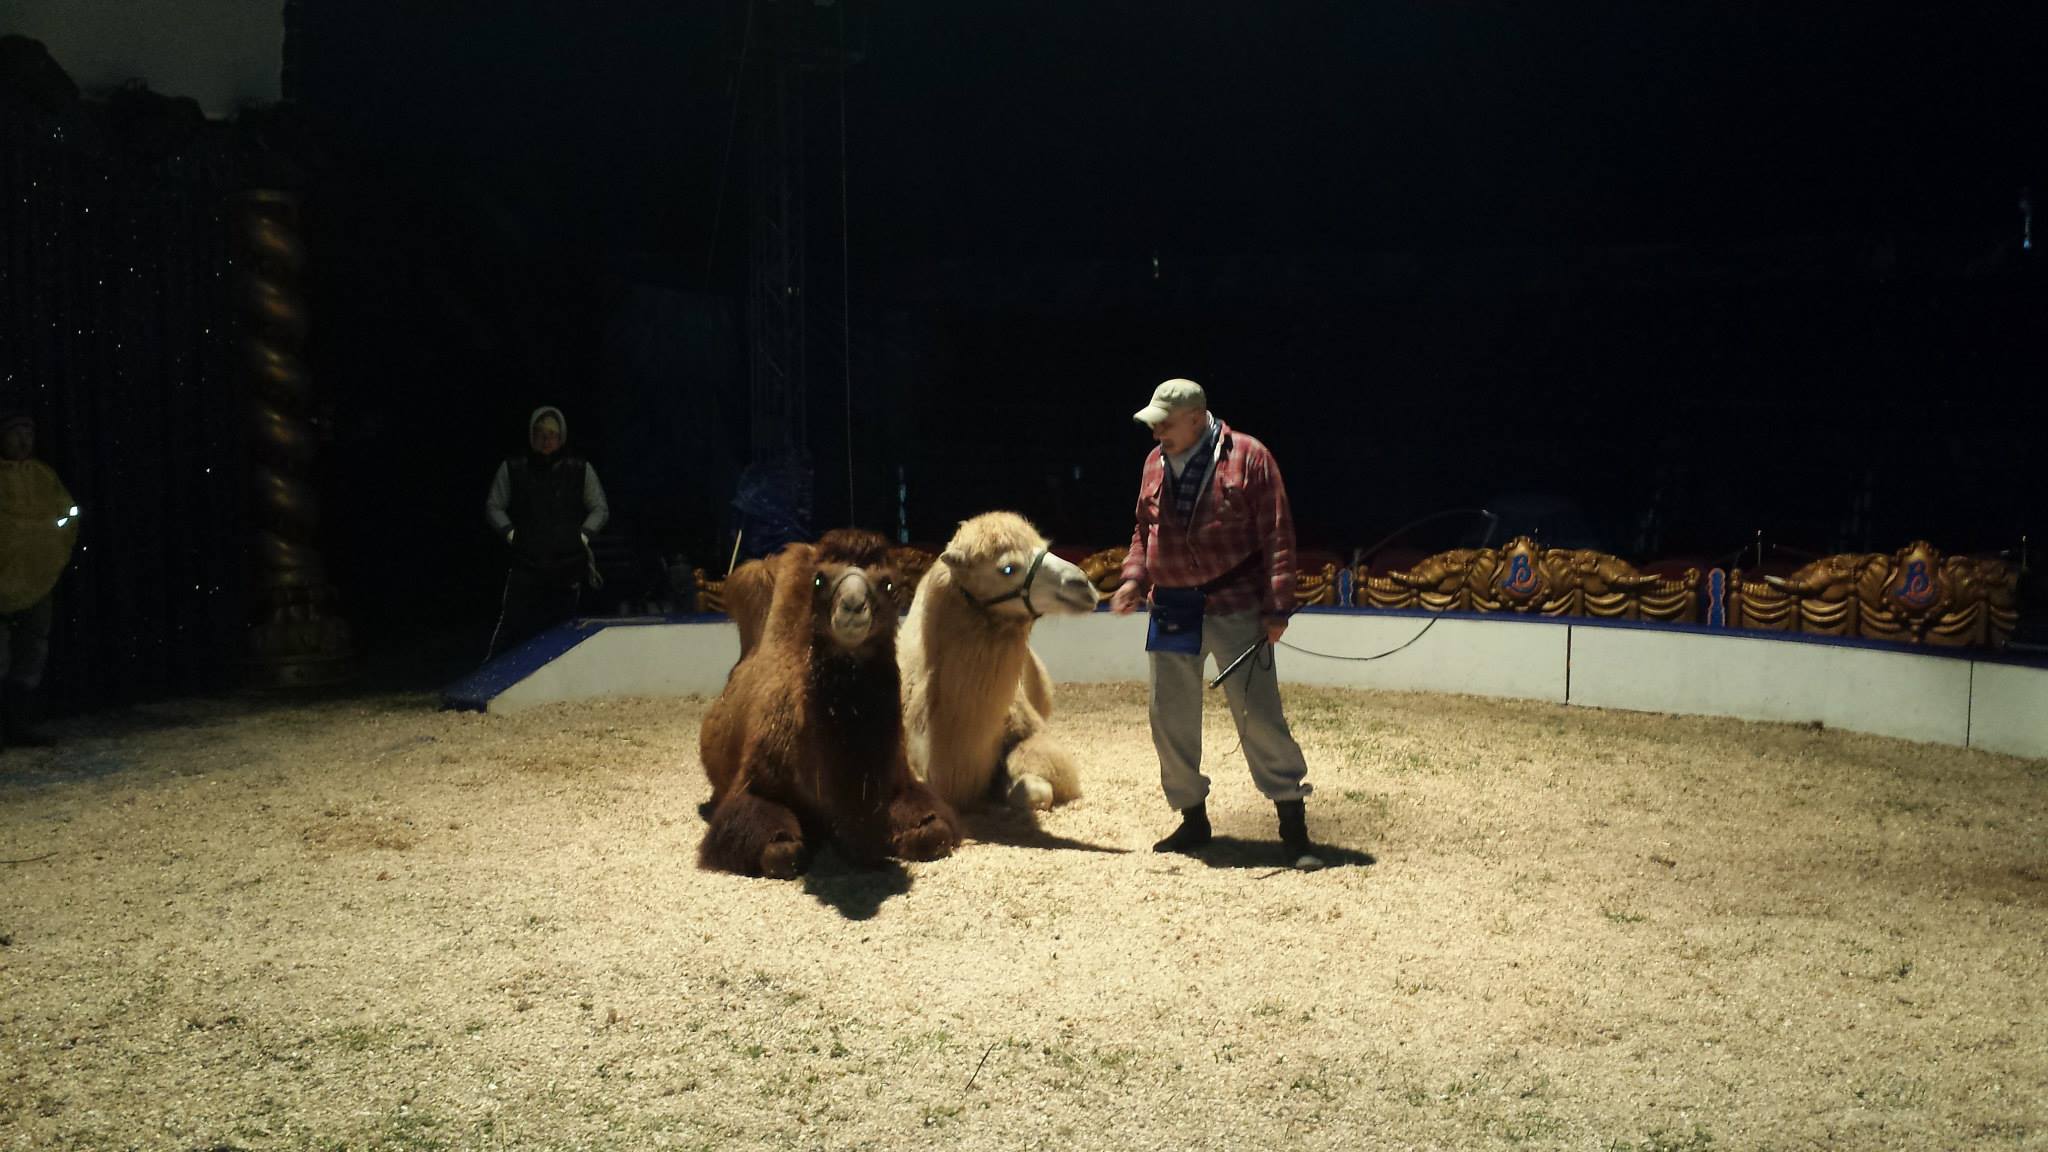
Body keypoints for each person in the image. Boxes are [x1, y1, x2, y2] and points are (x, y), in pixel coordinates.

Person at [1109, 379, 1322, 870]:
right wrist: (1133, 579)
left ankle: (1292, 824)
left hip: (1236, 604)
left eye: (1165, 421)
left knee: (1258, 714)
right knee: (1169, 715)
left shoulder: (1248, 456)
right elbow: (1145, 529)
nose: (1157, 430)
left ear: (1196, 416)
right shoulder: (1153, 463)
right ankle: (1192, 818)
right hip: (1171, 608)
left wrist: (1277, 606)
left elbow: (1277, 533)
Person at [483, 405, 609, 661]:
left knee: (563, 629)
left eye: (552, 434)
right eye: (540, 433)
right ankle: (490, 679)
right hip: (526, 562)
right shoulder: (514, 467)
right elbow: (494, 506)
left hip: (568, 563)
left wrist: (581, 537)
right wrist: (511, 535)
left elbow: (599, 508)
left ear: (561, 437)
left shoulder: (580, 468)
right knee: (513, 626)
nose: (546, 439)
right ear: (532, 435)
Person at [0, 402, 77, 750]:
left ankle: (18, 725)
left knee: (31, 652)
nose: (23, 439)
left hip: (38, 579)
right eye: (15, 432)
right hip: (2, 584)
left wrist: (52, 542)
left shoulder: (44, 475)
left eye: (28, 432)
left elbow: (67, 514)